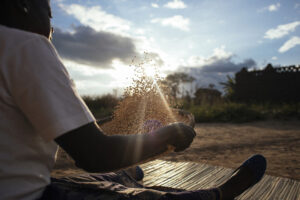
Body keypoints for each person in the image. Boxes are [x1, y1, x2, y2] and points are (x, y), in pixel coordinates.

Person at [0, 0, 267, 200]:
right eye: (48, 13)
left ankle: (124, 174)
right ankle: (216, 195)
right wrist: (167, 136)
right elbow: (94, 154)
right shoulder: (26, 45)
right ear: (23, 6)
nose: (53, 28)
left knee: (77, 181)